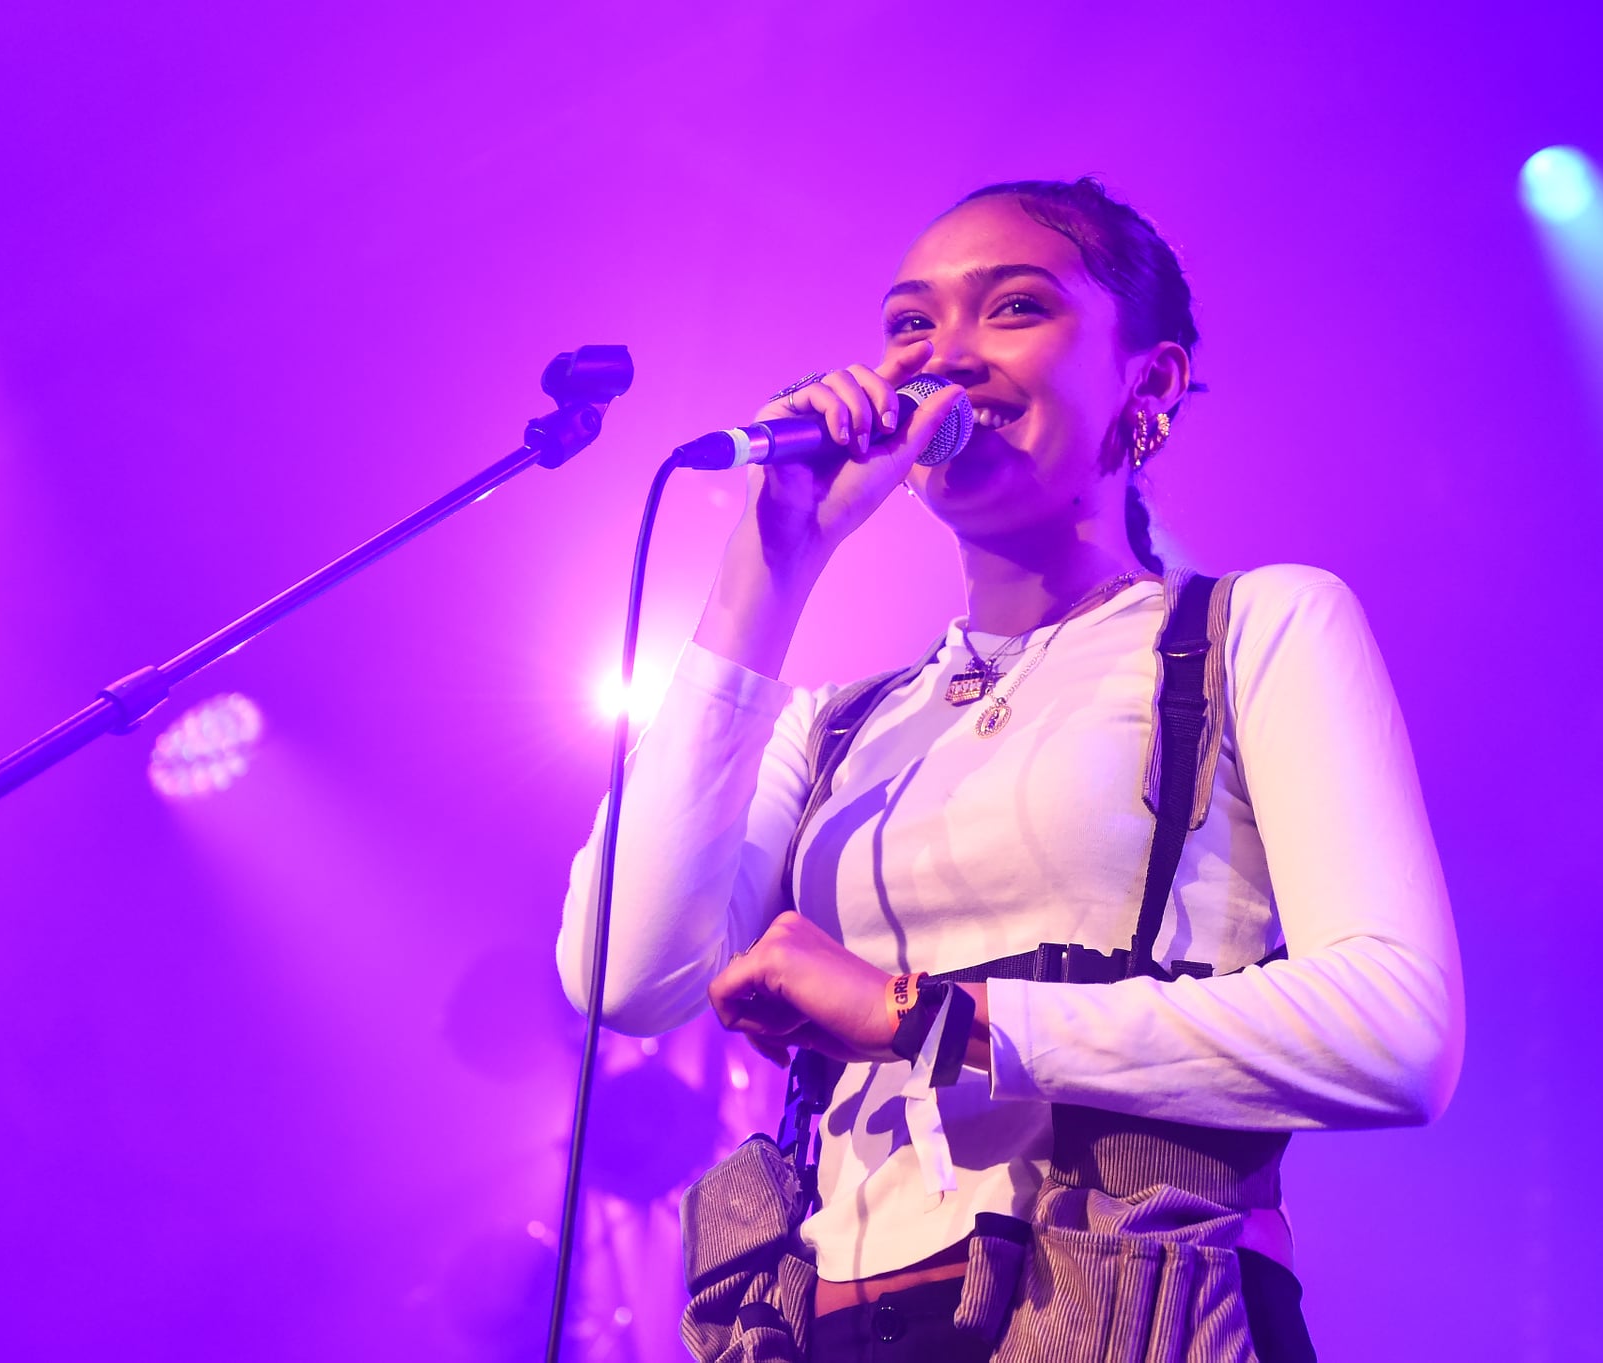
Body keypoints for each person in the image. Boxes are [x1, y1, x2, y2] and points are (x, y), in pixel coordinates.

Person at [559, 177, 1464, 1362]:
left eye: (1015, 308)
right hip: (835, 1327)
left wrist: (926, 1016)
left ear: (1150, 382)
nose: (945, 358)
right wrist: (768, 567)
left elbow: (1396, 1033)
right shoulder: (833, 723)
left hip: (1130, 1309)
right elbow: (623, 976)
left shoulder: (1256, 627)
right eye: (907, 324)